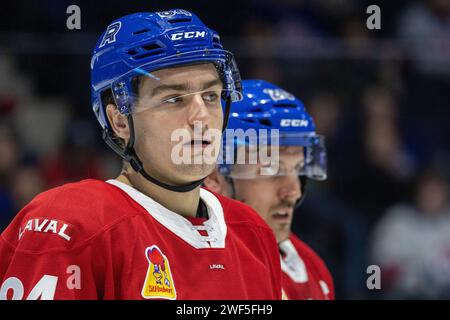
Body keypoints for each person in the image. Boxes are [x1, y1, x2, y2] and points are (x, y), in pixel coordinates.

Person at [0, 9, 282, 300]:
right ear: (119, 121)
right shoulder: (71, 225)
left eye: (210, 96)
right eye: (174, 99)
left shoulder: (252, 232)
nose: (202, 116)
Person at [204, 79, 334, 299]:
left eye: (298, 169)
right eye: (272, 170)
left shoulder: (312, 266)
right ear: (214, 176)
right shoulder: (200, 267)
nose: (294, 192)